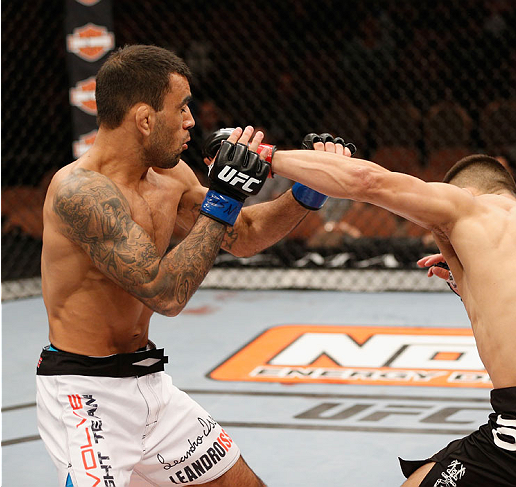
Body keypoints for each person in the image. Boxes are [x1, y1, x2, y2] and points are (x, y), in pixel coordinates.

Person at [36, 45, 350, 487]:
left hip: (150, 385)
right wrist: (224, 197)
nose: (191, 120)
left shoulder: (169, 177)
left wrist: (307, 192)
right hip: (87, 394)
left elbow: (243, 234)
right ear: (145, 119)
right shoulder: (80, 192)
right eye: (181, 107)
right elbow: (163, 292)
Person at [267, 143, 516, 485]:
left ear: (467, 191)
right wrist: (469, 278)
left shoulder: (466, 208)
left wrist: (264, 155)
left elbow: (368, 182)